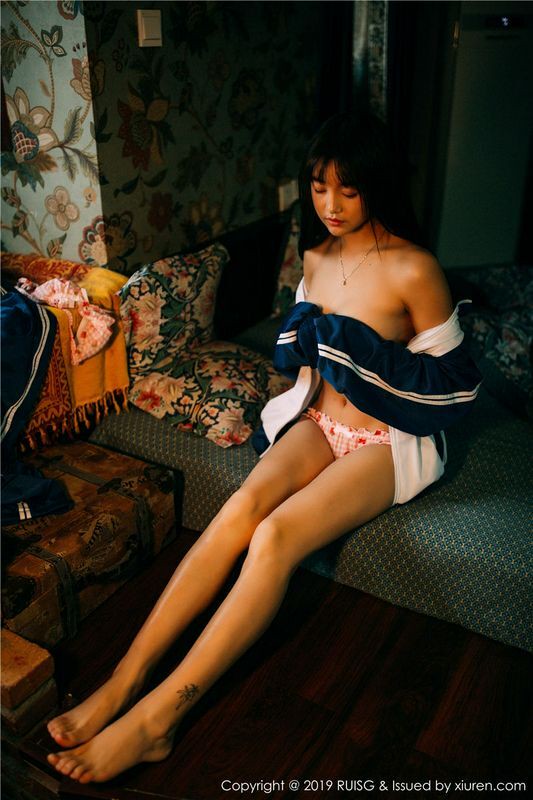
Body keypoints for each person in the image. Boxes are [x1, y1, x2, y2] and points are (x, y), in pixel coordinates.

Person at [46, 112, 481, 784]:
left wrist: (356, 349)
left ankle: (159, 718)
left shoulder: (414, 268)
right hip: (319, 421)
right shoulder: (314, 259)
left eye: (347, 190)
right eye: (318, 187)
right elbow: (305, 360)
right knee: (240, 507)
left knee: (275, 536)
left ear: (377, 186)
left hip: (383, 441)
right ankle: (124, 680)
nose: (330, 205)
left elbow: (453, 384)